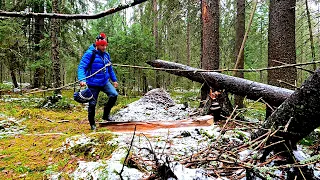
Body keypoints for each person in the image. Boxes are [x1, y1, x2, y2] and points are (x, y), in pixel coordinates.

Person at [77, 33, 119, 130]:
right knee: (92, 104)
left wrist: (114, 80)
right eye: (102, 45)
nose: (104, 47)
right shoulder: (89, 54)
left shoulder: (106, 55)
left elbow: (110, 69)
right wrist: (82, 79)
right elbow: (82, 68)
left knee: (114, 95)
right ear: (97, 44)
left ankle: (106, 114)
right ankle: (92, 124)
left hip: (104, 81)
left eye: (105, 45)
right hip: (92, 83)